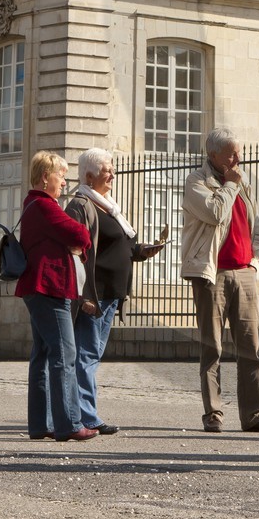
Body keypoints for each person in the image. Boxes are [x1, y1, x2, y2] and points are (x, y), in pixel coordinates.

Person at [181, 128, 259, 434]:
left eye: (239, 152)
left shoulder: (240, 180)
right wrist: (230, 186)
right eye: (231, 153)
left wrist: (255, 262)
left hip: (244, 272)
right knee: (213, 347)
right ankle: (213, 413)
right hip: (213, 273)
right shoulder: (198, 181)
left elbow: (256, 225)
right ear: (213, 155)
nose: (238, 158)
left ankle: (254, 415)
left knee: (251, 348)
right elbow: (214, 212)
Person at [64, 147, 164, 435]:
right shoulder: (81, 205)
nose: (113, 175)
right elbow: (75, 255)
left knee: (91, 353)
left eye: (112, 169)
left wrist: (141, 251)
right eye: (107, 170)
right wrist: (84, 296)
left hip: (111, 294)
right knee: (86, 354)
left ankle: (83, 413)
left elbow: (121, 247)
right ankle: (86, 416)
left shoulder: (109, 205)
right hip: (95, 294)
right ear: (89, 175)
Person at [16, 150, 92, 442]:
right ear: (46, 177)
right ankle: (69, 423)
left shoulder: (33, 204)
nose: (64, 181)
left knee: (43, 355)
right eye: (61, 174)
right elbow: (81, 235)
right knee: (64, 354)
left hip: (37, 287)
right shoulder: (45, 206)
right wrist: (78, 243)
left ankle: (41, 423)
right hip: (50, 286)